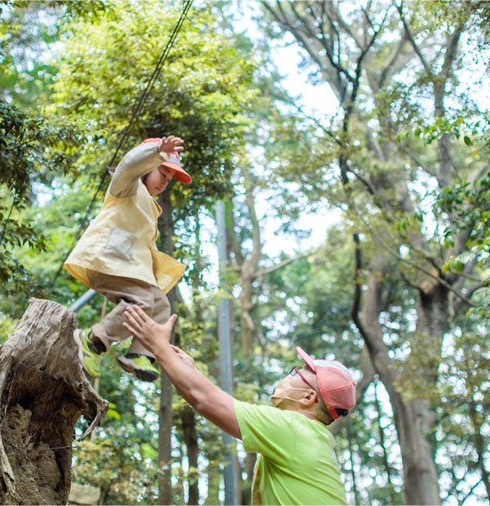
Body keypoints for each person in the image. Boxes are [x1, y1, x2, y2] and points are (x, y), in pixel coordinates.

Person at [122, 305, 357, 505]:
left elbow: (204, 400)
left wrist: (159, 346)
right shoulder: (308, 436)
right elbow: (206, 397)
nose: (287, 376)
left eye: (296, 373)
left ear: (308, 397)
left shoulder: (294, 429)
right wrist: (189, 370)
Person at [64, 136, 191, 382]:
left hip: (128, 266)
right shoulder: (127, 186)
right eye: (163, 174)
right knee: (143, 300)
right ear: (146, 167)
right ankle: (94, 340)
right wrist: (156, 151)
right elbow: (129, 165)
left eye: (169, 180)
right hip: (108, 260)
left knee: (160, 305)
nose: (165, 183)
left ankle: (138, 353)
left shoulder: (150, 205)